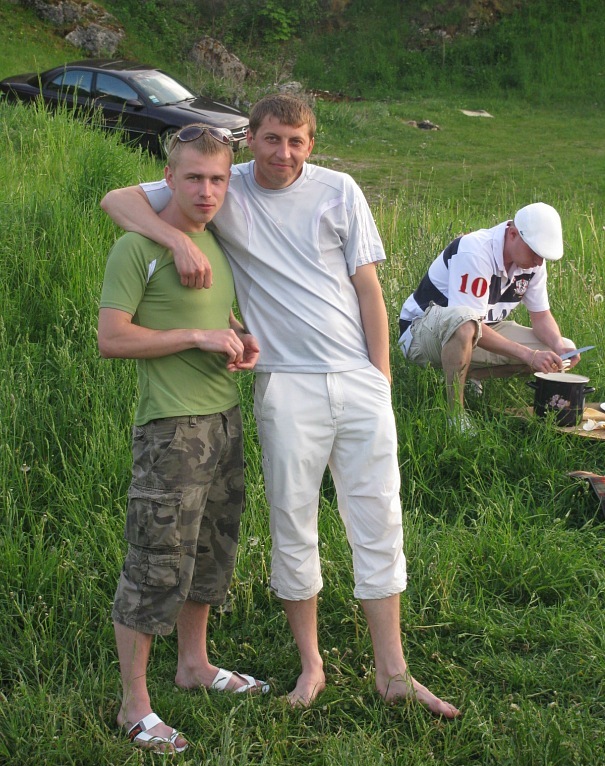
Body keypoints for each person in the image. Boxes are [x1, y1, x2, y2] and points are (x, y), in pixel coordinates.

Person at [101, 94, 460, 718]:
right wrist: (177, 242)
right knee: (292, 523)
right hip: (287, 385)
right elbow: (116, 200)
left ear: (311, 144)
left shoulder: (339, 190)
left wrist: (379, 378)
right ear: (251, 139)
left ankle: (393, 670)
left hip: (356, 378)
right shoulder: (224, 185)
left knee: (380, 517)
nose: (283, 153)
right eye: (271, 139)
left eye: (296, 141)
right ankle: (310, 665)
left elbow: (368, 289)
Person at [98, 124, 267, 755]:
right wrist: (195, 338)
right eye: (193, 177)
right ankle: (133, 706)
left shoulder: (215, 241)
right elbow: (112, 338)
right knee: (155, 562)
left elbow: (208, 316)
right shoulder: (137, 247)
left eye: (218, 179)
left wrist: (235, 335)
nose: (206, 191)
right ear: (167, 177)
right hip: (171, 429)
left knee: (210, 553)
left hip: (223, 420)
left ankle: (194, 665)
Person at [398, 202, 578, 427]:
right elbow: (466, 322)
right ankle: (455, 417)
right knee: (466, 323)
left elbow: (541, 317)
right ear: (513, 234)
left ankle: (470, 376)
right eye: (535, 252)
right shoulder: (474, 251)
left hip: (477, 331)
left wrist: (559, 347)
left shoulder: (533, 263)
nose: (539, 262)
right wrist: (529, 355)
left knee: (557, 352)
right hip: (420, 333)